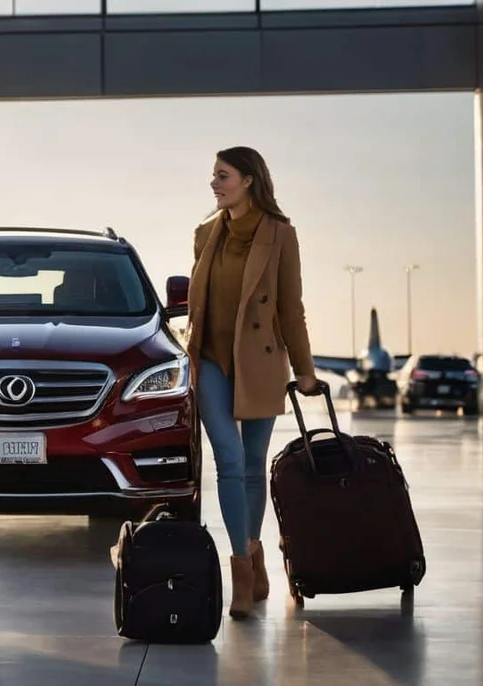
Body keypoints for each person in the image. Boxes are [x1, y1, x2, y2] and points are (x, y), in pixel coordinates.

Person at [185, 146, 320, 619]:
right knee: (230, 460)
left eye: (222, 176)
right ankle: (242, 572)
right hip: (211, 362)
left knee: (253, 464)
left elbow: (290, 307)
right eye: (214, 176)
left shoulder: (281, 235)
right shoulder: (206, 234)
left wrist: (304, 370)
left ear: (248, 180)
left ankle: (255, 554)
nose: (214, 183)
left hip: (260, 363)